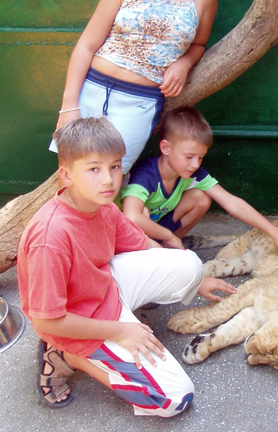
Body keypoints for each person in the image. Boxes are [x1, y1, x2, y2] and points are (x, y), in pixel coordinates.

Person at [18, 118, 234, 415]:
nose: (108, 180)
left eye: (115, 167)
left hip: (104, 288)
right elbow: (46, 322)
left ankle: (121, 333)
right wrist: (122, 331)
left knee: (189, 264)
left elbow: (144, 245)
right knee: (174, 399)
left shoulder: (103, 206)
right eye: (94, 169)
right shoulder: (50, 237)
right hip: (75, 324)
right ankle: (67, 358)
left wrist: (196, 280)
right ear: (66, 175)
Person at [50, 0, 217, 173]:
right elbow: (86, 46)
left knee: (110, 180)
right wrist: (69, 106)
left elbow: (199, 44)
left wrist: (184, 63)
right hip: (89, 92)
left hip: (139, 101)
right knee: (71, 176)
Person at [120, 106, 278, 257]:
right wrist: (167, 234)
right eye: (189, 156)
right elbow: (131, 217)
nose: (195, 164)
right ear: (166, 148)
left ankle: (169, 250)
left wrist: (276, 234)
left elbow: (231, 202)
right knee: (139, 211)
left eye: (201, 157)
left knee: (201, 198)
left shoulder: (193, 172)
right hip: (129, 235)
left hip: (157, 227)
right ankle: (161, 247)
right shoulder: (146, 174)